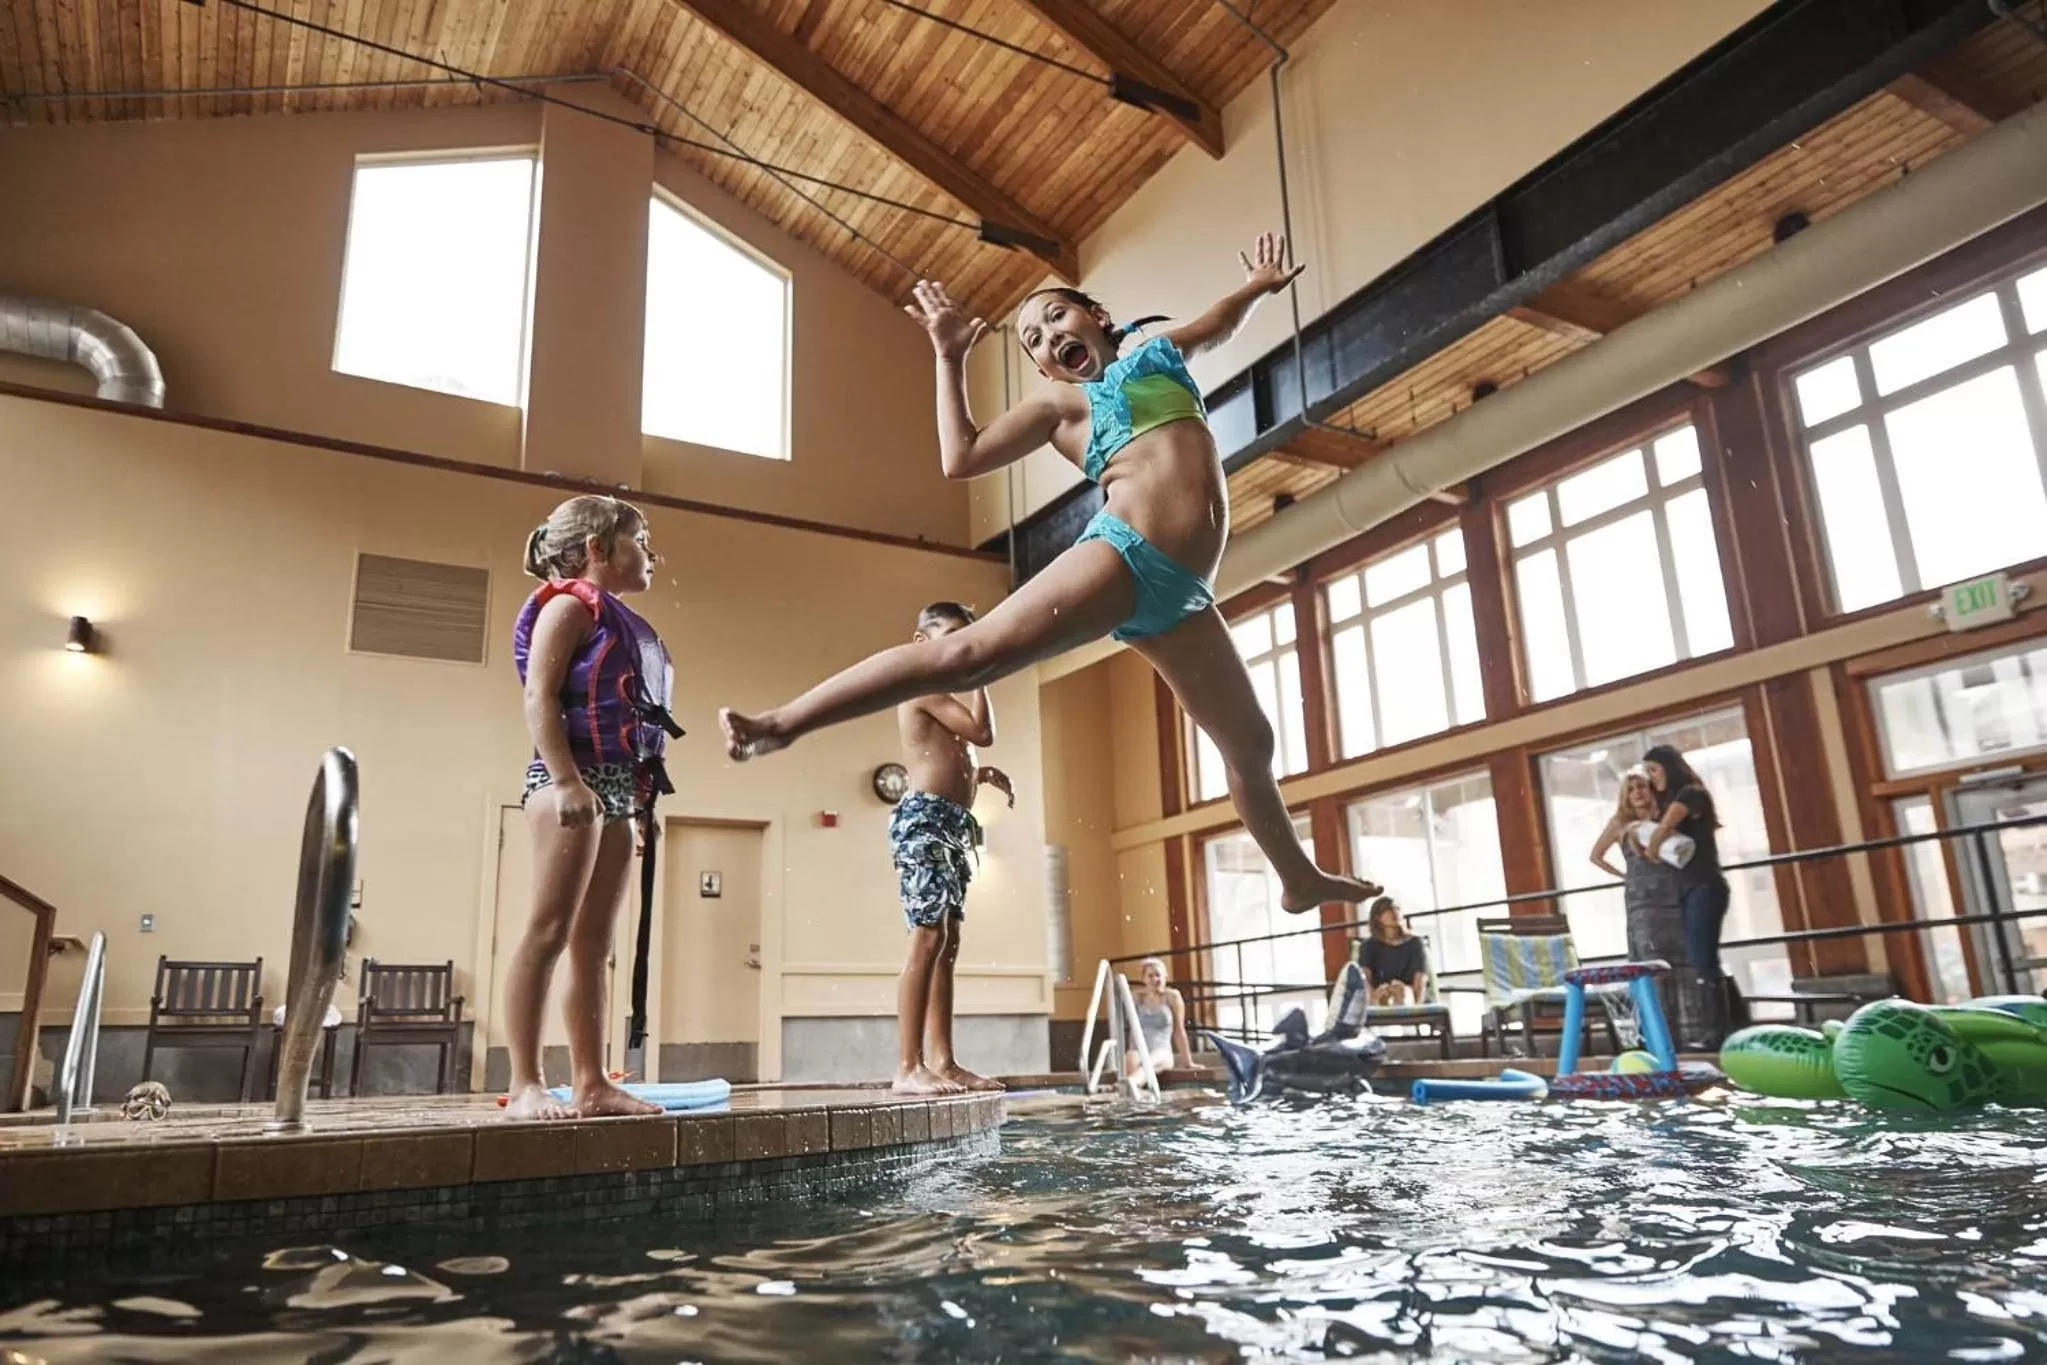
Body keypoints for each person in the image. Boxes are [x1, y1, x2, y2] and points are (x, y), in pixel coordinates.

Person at [720, 235, 1378, 916]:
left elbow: (1215, 323)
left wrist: (1255, 288)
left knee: (1252, 742)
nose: (1046, 337)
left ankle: (1296, 877)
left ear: (1095, 315)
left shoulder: (1155, 355)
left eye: (1056, 318)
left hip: (1182, 596)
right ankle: (784, 721)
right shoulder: (1059, 405)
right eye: (1033, 338)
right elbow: (962, 456)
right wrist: (948, 355)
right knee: (967, 657)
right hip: (1124, 551)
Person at [503, 495, 676, 1121]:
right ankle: (525, 1081)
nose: (653, 553)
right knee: (547, 932)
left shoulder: (620, 619)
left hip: (618, 790)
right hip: (566, 785)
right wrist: (567, 780)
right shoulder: (571, 604)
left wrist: (629, 803)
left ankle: (591, 1082)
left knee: (594, 944)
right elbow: (539, 697)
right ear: (599, 549)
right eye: (642, 539)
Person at [891, 603, 1015, 1096]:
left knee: (947, 943)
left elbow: (950, 755)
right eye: (957, 636)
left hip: (952, 825)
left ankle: (943, 1060)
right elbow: (981, 731)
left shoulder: (940, 696)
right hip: (923, 823)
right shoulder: (922, 686)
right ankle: (907, 1065)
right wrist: (982, 673)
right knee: (927, 938)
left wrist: (978, 774)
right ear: (923, 642)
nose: (966, 645)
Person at [1589, 767, 1702, 1044]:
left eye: (1642, 787)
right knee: (1652, 965)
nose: (1638, 792)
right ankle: (1658, 1036)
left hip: (1673, 894)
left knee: (1683, 960)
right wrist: (1625, 877)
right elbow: (1596, 856)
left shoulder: (1663, 818)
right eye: (1632, 789)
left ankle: (1692, 1034)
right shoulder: (1619, 823)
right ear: (1625, 796)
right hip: (1642, 901)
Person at [1639, 744, 1736, 1047]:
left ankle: (1719, 1031)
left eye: (1654, 770)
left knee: (1702, 957)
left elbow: (1666, 826)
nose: (1651, 777)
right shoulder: (1667, 799)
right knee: (1701, 957)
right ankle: (1730, 1023)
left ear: (1669, 767)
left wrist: (1653, 846)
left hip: (1705, 886)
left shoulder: (1691, 794)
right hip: (1687, 889)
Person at [1125, 956, 1192, 1078]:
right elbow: (1133, 1031)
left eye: (1158, 975)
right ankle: (1133, 1087)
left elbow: (1179, 1030)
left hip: (1162, 1052)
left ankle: (1130, 1084)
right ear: (1143, 979)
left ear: (1165, 977)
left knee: (1148, 1062)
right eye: (1150, 976)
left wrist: (1188, 1062)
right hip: (1140, 1050)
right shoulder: (1137, 998)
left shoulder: (1172, 997)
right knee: (1131, 1057)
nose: (1155, 979)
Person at [1357, 898, 1427, 1007]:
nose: (1395, 912)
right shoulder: (1368, 946)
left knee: (1401, 991)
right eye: (1389, 909)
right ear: (1377, 917)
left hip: (1409, 997)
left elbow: (1420, 981)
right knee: (1382, 993)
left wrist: (1416, 1008)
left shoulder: (1415, 943)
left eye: (1397, 908)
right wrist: (1373, 999)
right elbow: (1365, 981)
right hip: (1380, 996)